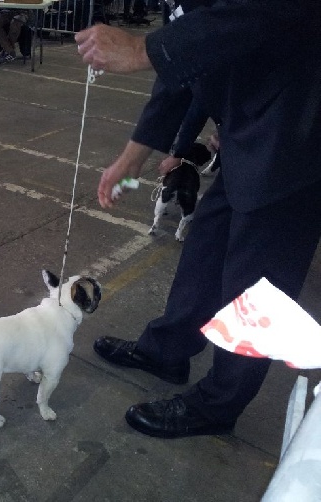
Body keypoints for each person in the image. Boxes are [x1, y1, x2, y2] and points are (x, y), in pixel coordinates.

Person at [75, 0, 321, 438]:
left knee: (259, 287)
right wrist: (134, 157)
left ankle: (218, 404)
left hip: (298, 131)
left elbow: (252, 16)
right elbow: (189, 63)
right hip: (253, 123)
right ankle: (167, 350)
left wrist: (144, 49)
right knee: (206, 245)